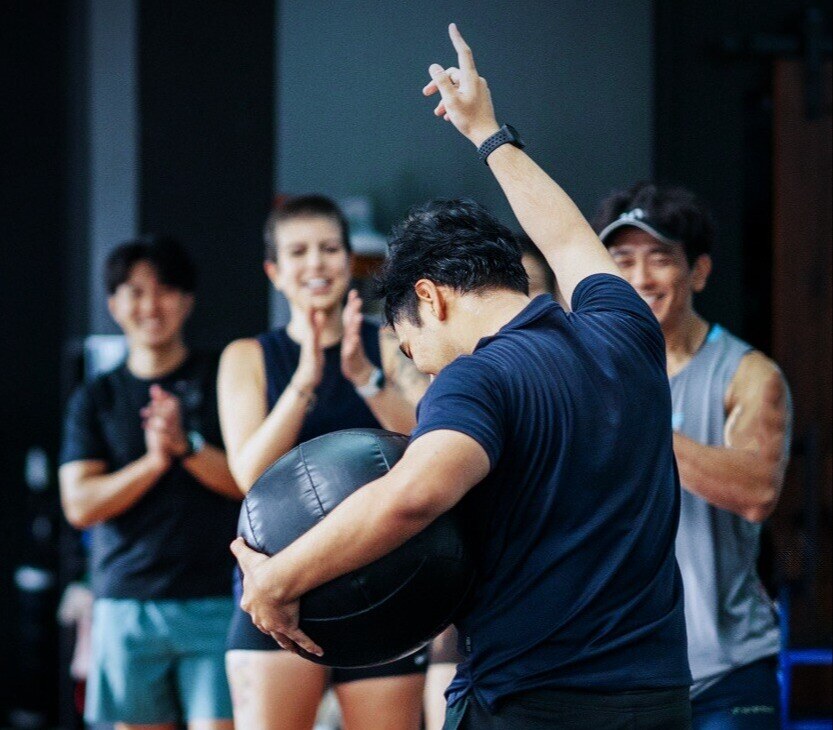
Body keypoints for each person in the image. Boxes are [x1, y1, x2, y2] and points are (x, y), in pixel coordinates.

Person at [230, 24, 692, 729]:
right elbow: (568, 237)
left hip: (528, 704)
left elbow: (411, 498)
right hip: (656, 700)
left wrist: (275, 581)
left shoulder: (477, 380)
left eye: (411, 347)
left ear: (429, 297)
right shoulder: (624, 328)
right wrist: (488, 136)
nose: (422, 363)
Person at [218, 195, 429, 730]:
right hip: (278, 589)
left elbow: (430, 447)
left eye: (329, 248)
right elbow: (249, 475)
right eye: (299, 252)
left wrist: (364, 378)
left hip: (383, 579)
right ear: (275, 271)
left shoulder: (389, 345)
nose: (316, 263)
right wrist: (304, 381)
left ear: (349, 260)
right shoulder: (246, 356)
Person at [595, 183, 791, 729]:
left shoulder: (749, 375)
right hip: (614, 671)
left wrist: (639, 418)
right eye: (623, 261)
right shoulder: (591, 370)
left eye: (659, 260)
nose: (640, 278)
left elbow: (757, 493)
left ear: (698, 273)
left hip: (725, 671)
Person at [59, 237, 241, 730]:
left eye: (164, 290)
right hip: (126, 602)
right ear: (114, 304)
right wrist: (155, 462)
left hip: (216, 598)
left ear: (187, 300)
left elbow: (250, 481)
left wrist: (187, 447)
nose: (150, 305)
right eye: (134, 292)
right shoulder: (95, 397)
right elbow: (79, 504)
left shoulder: (224, 376)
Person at [422, 230, 558, 730]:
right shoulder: (454, 376)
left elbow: (413, 497)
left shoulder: (565, 380)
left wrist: (283, 579)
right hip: (466, 623)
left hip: (549, 645)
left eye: (533, 290)